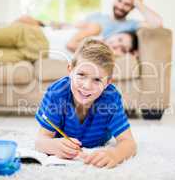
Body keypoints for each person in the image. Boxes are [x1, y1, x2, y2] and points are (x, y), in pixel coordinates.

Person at [35, 39, 137, 168]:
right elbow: (40, 140)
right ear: (70, 70)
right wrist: (53, 145)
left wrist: (115, 154)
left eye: (97, 80)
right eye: (81, 75)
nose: (87, 86)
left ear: (108, 82)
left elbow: (129, 143)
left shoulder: (111, 98)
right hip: (63, 140)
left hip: (98, 140)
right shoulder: (57, 93)